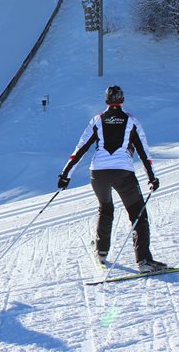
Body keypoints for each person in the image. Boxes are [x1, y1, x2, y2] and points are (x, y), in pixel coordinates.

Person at [57, 86, 166, 273]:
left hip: (98, 173)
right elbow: (143, 152)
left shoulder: (97, 120)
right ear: (122, 100)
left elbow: (80, 148)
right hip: (122, 172)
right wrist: (152, 177)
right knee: (138, 214)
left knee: (105, 208)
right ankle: (144, 261)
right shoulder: (131, 121)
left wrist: (65, 174)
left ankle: (101, 251)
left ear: (106, 101)